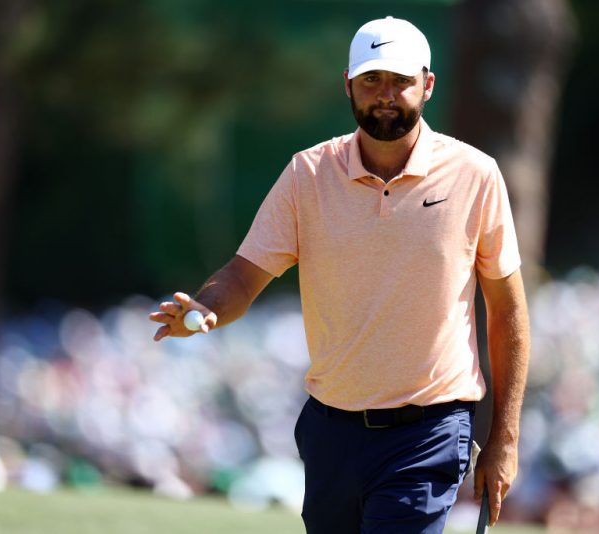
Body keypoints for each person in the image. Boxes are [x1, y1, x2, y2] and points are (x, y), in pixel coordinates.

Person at [149, 16, 530, 534]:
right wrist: (207, 306)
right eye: (372, 80)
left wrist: (504, 441)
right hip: (332, 432)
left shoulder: (475, 175)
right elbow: (243, 274)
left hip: (429, 433)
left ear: (428, 85)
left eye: (401, 81)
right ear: (348, 85)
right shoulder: (308, 174)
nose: (386, 95)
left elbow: (507, 311)